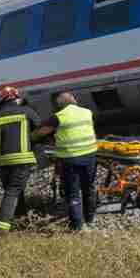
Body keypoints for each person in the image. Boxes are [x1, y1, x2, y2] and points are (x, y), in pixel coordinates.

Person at [34, 91, 98, 231]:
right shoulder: (87, 112)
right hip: (90, 155)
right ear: (74, 100)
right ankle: (90, 219)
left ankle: (77, 226)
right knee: (89, 188)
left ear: (58, 105)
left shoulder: (59, 117)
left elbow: (40, 132)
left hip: (71, 158)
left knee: (73, 192)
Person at [0, 86, 41, 232]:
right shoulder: (27, 112)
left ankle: (21, 220)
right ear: (17, 97)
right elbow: (40, 131)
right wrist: (34, 143)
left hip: (3, 162)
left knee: (15, 191)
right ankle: (1, 227)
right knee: (13, 192)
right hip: (22, 159)